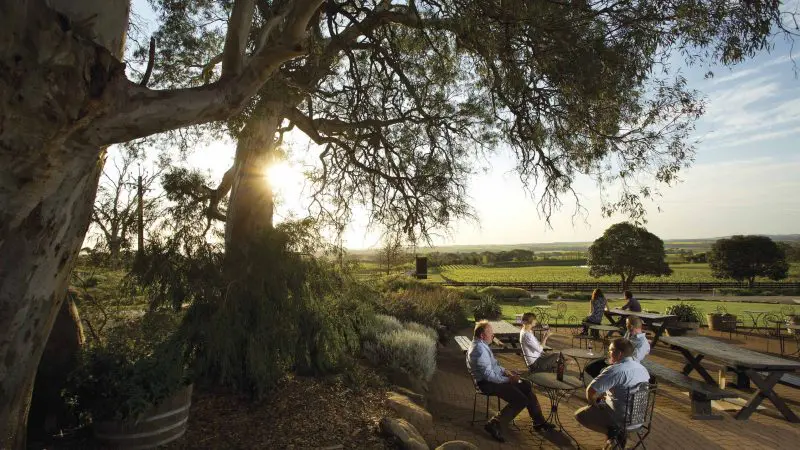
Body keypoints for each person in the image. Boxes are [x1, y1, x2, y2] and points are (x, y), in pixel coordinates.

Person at [467, 320, 555, 442]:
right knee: (521, 399)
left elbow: (494, 366)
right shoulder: (479, 350)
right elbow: (489, 376)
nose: (493, 335)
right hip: (487, 384)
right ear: (482, 335)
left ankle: (538, 421)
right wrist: (508, 379)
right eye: (490, 333)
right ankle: (494, 423)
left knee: (525, 385)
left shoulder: (482, 345)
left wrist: (506, 372)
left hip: (494, 379)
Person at [574, 338, 650, 449]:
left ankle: (614, 436)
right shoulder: (643, 369)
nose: (608, 353)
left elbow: (590, 391)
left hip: (621, 420)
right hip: (638, 419)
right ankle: (615, 440)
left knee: (580, 414)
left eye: (610, 350)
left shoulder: (615, 370)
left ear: (619, 353)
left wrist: (593, 404)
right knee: (608, 403)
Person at [584, 316, 651, 378]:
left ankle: (605, 384)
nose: (626, 326)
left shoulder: (642, 343)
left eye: (626, 324)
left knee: (597, 371)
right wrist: (612, 343)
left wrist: (615, 361)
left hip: (625, 366)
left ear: (631, 326)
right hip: (617, 358)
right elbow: (622, 344)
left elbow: (633, 360)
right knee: (590, 367)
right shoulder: (629, 333)